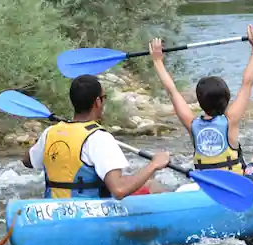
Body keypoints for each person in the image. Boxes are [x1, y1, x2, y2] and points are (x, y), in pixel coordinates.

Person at [149, 25, 253, 185]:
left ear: (199, 102)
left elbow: (172, 91)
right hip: (238, 185)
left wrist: (157, 61)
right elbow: (247, 83)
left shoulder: (191, 124)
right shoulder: (231, 120)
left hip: (208, 185)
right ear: (227, 99)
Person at [22, 75, 169, 199]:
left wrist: (40, 143)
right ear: (98, 102)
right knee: (152, 185)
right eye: (104, 97)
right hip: (89, 213)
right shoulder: (99, 138)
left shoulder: (50, 132)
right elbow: (119, 190)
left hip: (52, 210)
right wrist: (154, 165)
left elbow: (27, 161)